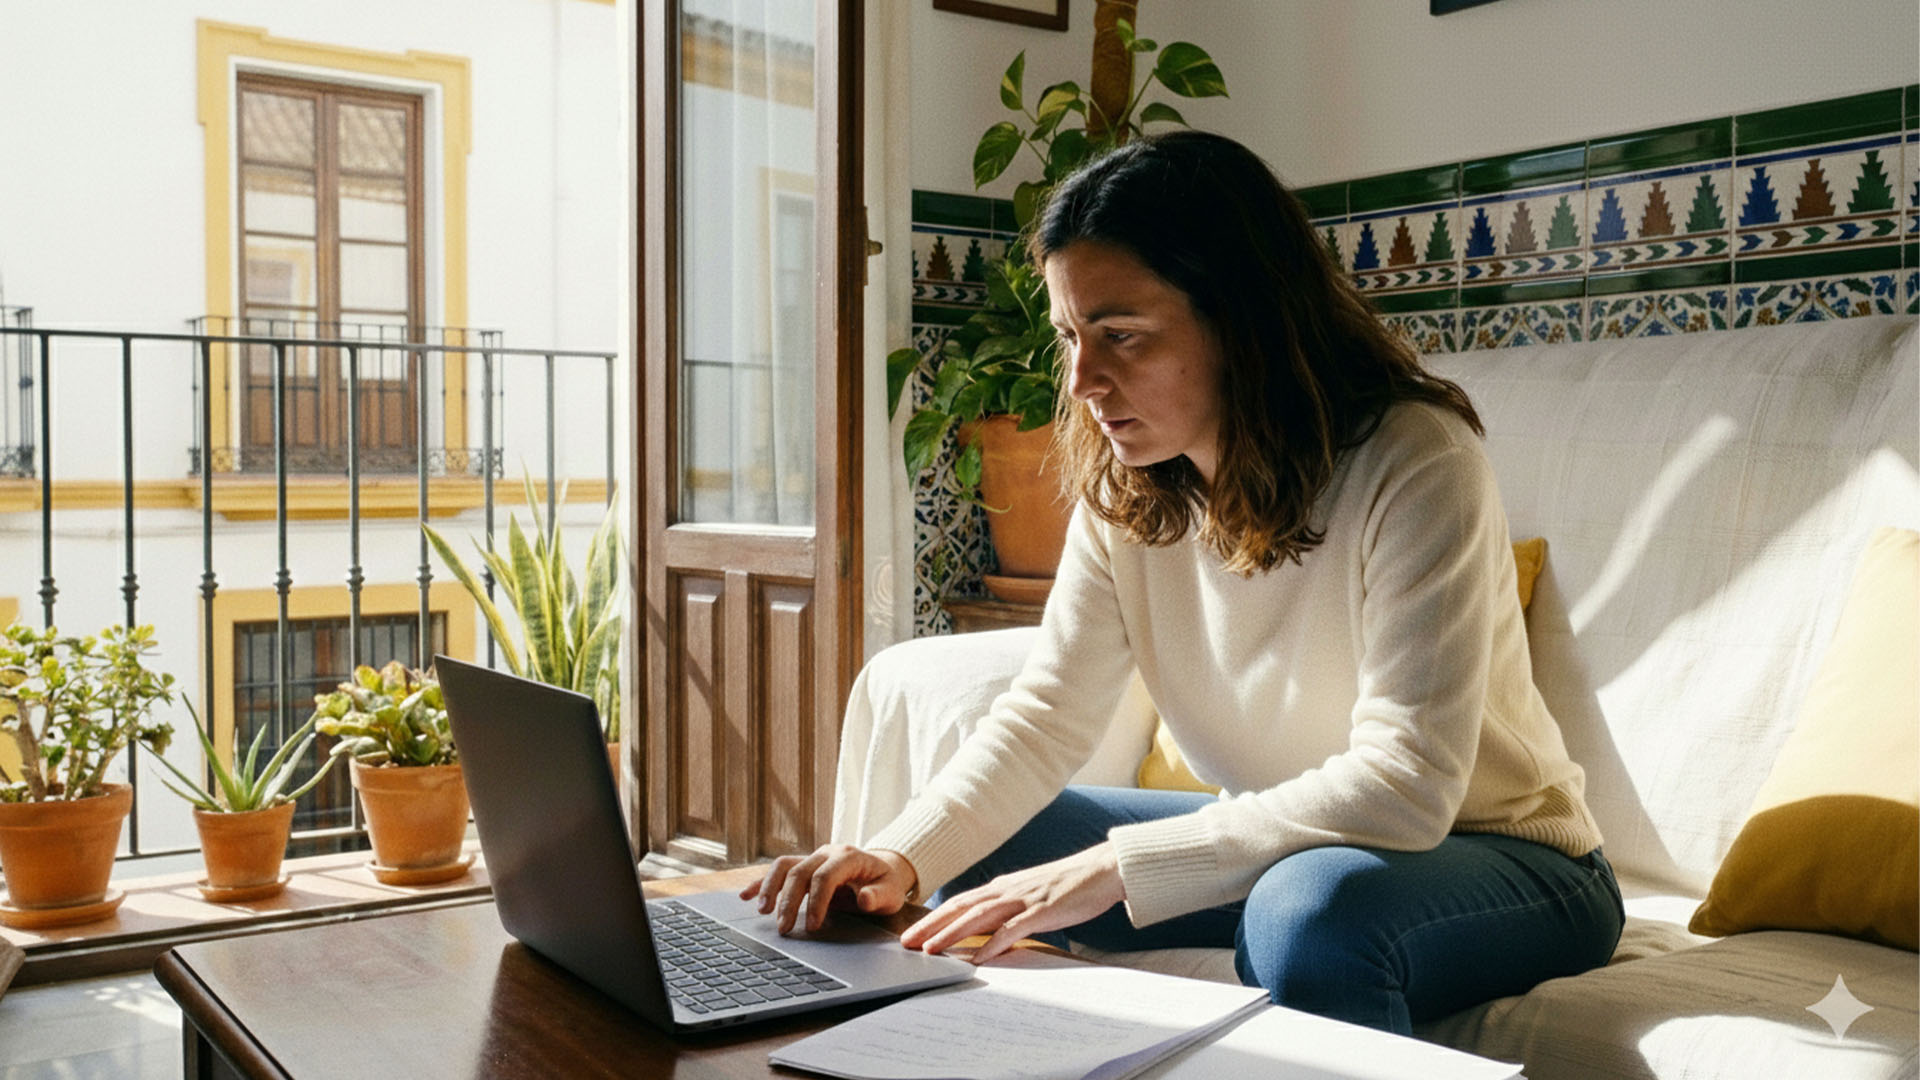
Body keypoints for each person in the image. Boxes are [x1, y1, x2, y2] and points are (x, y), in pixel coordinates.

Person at [742, 130, 1624, 1036]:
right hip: (1297, 852)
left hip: (1507, 860)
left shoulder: (1417, 459)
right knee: (986, 855)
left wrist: (1120, 867)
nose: (1084, 380)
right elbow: (1048, 714)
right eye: (1072, 337)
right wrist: (897, 853)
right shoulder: (1129, 486)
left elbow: (1405, 783)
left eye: (1120, 334)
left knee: (1307, 913)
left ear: (1241, 317)